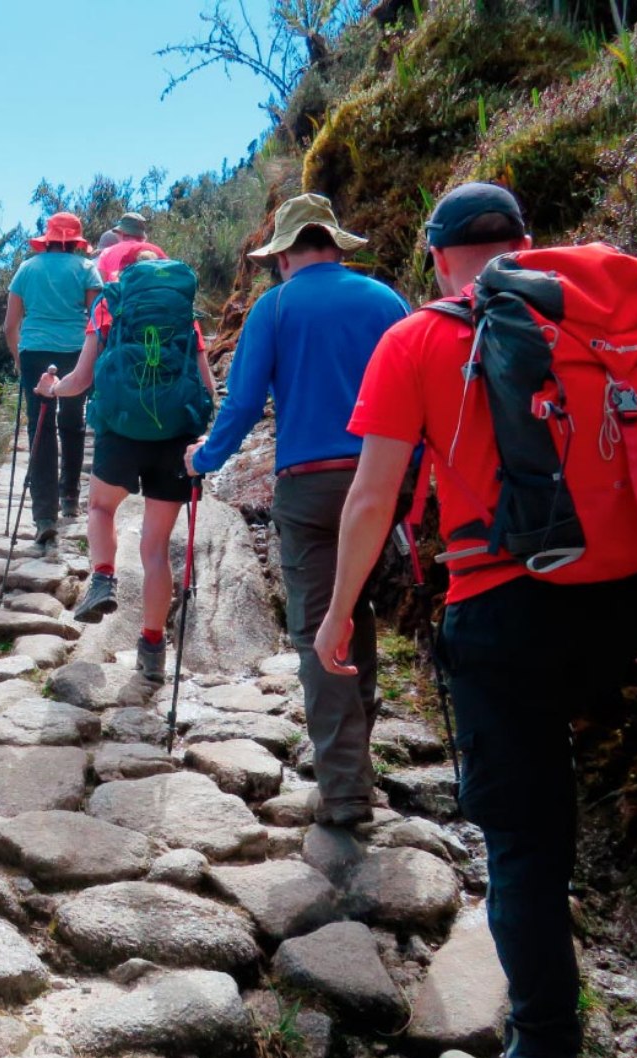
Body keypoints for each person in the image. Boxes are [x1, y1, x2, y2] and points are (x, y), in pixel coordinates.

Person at [313, 182, 637, 1058]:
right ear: (529, 247)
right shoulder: (594, 326)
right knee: (562, 775)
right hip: (626, 600)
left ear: (434, 258)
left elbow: (372, 497)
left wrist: (340, 611)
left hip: (505, 611)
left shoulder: (419, 338)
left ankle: (544, 1046)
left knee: (522, 841)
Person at [184, 193, 409, 826]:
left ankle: (344, 790)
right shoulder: (387, 301)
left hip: (309, 488)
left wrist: (205, 459)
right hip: (382, 478)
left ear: (283, 254)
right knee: (355, 608)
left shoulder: (274, 307)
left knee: (319, 627)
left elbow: (244, 404)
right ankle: (355, 762)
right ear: (336, 245)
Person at [35, 257, 218, 682]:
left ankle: (103, 577)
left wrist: (52, 389)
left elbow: (80, 379)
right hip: (175, 435)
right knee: (155, 549)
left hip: (120, 429)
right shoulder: (184, 316)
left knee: (100, 508)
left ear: (125, 276)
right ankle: (152, 647)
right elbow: (206, 387)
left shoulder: (108, 307)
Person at [5, 212, 103, 542]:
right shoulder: (86, 269)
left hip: (34, 352)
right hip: (75, 352)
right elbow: (96, 319)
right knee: (73, 422)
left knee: (40, 429)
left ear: (47, 239)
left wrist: (20, 361)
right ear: (75, 242)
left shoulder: (26, 269)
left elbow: (9, 327)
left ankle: (44, 517)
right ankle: (70, 498)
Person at [93, 212, 167, 282]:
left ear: (121, 233)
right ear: (142, 235)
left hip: (122, 294)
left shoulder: (107, 252)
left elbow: (102, 284)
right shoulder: (157, 250)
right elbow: (168, 275)